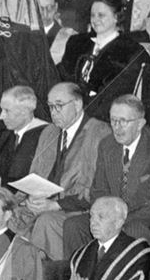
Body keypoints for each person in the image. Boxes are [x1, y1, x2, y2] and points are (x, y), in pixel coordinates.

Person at [52, 94, 150, 258]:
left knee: (131, 231)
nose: (117, 127)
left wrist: (117, 219)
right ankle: (79, 277)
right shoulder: (107, 145)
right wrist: (104, 216)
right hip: (112, 215)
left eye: (124, 121)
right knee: (73, 226)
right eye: (113, 121)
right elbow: (98, 191)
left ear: (140, 123)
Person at [20, 82, 111, 259]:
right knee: (3, 212)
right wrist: (32, 197)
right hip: (46, 202)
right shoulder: (49, 132)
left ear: (77, 104)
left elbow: (96, 187)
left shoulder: (99, 133)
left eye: (59, 106)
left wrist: (55, 205)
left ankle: (46, 279)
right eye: (50, 106)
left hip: (77, 209)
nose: (53, 112)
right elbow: (36, 175)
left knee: (46, 221)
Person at [57, 0, 149, 123]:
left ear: (116, 17)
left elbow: (113, 93)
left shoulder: (129, 51)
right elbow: (62, 76)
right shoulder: (77, 43)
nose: (95, 20)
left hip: (102, 116)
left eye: (101, 15)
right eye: (92, 15)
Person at [0, 86, 47, 193]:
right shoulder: (3, 133)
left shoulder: (46, 135)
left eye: (7, 111)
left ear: (25, 111)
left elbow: (39, 181)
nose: (1, 116)